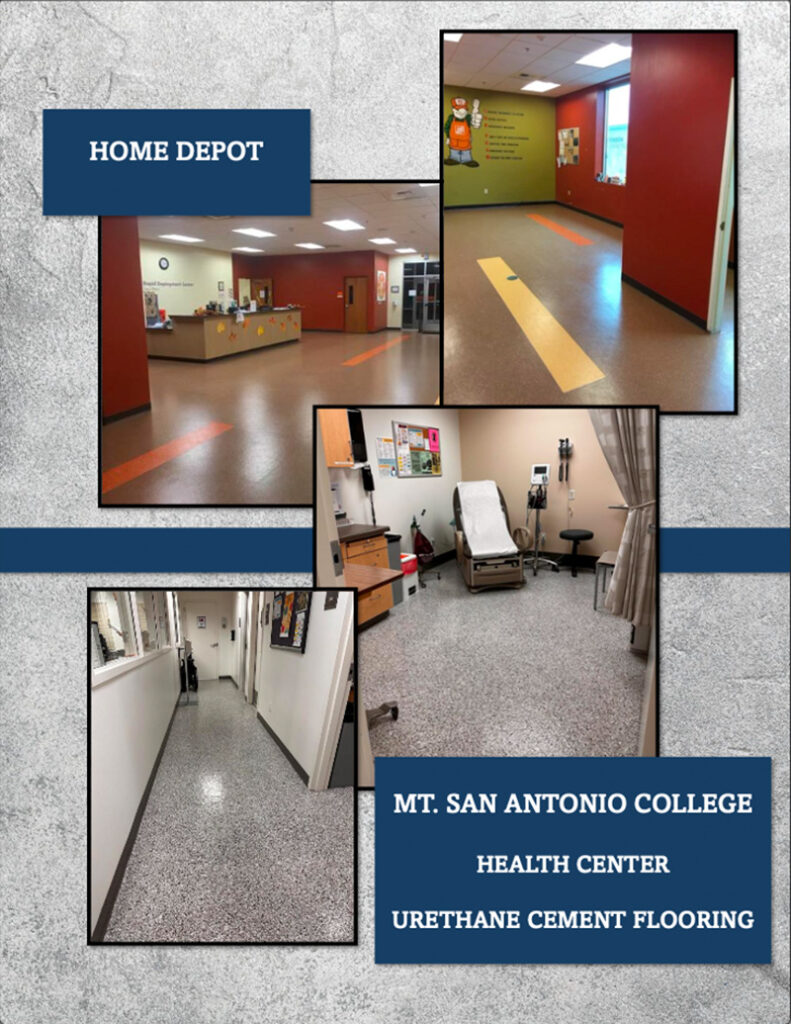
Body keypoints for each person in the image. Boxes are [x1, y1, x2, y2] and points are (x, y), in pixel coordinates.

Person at [444, 96, 482, 167]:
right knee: (454, 152)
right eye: (458, 109)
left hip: (465, 143)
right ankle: (454, 159)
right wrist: (448, 137)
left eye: (463, 109)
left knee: (466, 153)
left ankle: (467, 160)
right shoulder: (451, 118)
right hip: (454, 142)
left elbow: (474, 121)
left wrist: (475, 110)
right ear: (454, 110)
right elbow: (446, 127)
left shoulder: (467, 117)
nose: (461, 112)